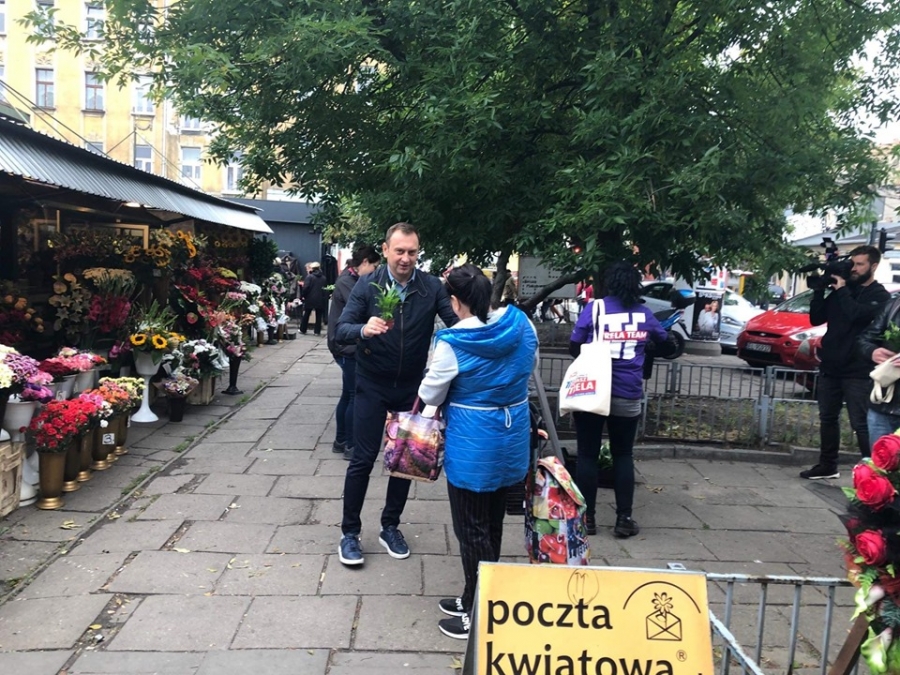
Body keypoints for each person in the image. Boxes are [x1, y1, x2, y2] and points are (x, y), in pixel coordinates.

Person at [417, 264, 538, 640]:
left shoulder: (453, 343)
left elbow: (430, 394)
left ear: (455, 301)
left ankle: (478, 613)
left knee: (471, 529)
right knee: (493, 522)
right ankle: (477, 594)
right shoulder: (521, 324)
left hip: (473, 443)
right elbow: (529, 367)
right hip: (511, 435)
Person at [334, 223, 458, 566]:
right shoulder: (367, 284)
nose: (405, 258)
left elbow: (456, 323)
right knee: (362, 459)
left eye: (412, 252)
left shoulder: (430, 286)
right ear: (386, 250)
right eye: (399, 251)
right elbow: (341, 329)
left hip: (410, 388)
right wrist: (364, 328)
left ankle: (390, 526)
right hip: (371, 383)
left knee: (406, 461)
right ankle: (349, 533)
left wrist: (486, 331)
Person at [569, 262, 669, 537]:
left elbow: (574, 346)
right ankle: (624, 518)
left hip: (592, 391)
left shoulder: (595, 308)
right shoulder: (644, 314)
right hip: (627, 393)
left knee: (587, 455)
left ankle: (587, 519)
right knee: (623, 454)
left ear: (609, 283)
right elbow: (666, 343)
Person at [801, 245, 890, 480]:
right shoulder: (843, 290)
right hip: (831, 365)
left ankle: (876, 474)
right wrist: (819, 291)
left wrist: (841, 290)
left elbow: (856, 314)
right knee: (828, 418)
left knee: (861, 423)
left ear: (873, 266)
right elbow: (816, 318)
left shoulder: (879, 295)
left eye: (860, 264)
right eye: (853, 264)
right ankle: (827, 465)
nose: (854, 269)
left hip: (858, 369)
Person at [327, 246, 381, 461]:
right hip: (346, 345)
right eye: (375, 267)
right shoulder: (349, 282)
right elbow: (362, 308)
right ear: (365, 262)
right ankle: (350, 444)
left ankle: (341, 440)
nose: (376, 272)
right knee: (353, 395)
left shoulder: (350, 278)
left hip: (346, 344)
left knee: (347, 393)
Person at [859, 294, 900, 443]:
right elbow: (865, 339)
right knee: (879, 457)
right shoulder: (894, 305)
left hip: (883, 406)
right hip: (882, 406)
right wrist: (872, 351)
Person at [300, 262, 327, 335]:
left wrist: (303, 295)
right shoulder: (323, 278)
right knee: (319, 315)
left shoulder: (309, 277)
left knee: (306, 314)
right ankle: (317, 331)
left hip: (310, 298)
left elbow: (306, 288)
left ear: (312, 268)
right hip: (320, 298)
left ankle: (303, 329)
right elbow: (325, 289)